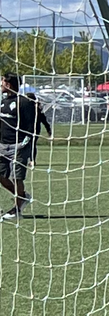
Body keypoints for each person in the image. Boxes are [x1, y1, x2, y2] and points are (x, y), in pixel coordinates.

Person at [0, 75, 50, 220]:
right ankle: (23, 197)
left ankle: (17, 210)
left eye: (2, 81)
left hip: (19, 145)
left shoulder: (24, 102)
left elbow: (32, 125)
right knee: (2, 176)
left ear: (9, 85)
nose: (1, 84)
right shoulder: (3, 102)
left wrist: (26, 142)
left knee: (17, 177)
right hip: (3, 144)